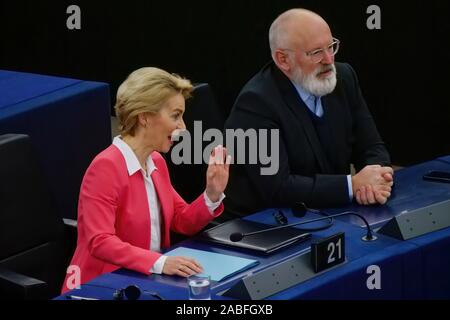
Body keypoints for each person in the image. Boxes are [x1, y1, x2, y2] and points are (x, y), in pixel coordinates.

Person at [62, 67, 230, 293]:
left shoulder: (156, 162)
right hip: (101, 287)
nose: (183, 126)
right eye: (175, 115)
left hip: (148, 281)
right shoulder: (106, 167)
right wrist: (158, 262)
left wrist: (212, 194)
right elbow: (99, 241)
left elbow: (181, 220)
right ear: (145, 117)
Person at [224, 8, 393, 219]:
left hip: (329, 212)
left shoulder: (344, 78)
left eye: (331, 46)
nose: (329, 59)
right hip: (263, 224)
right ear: (283, 59)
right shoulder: (255, 104)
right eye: (316, 53)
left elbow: (371, 146)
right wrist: (352, 185)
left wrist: (378, 178)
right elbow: (278, 187)